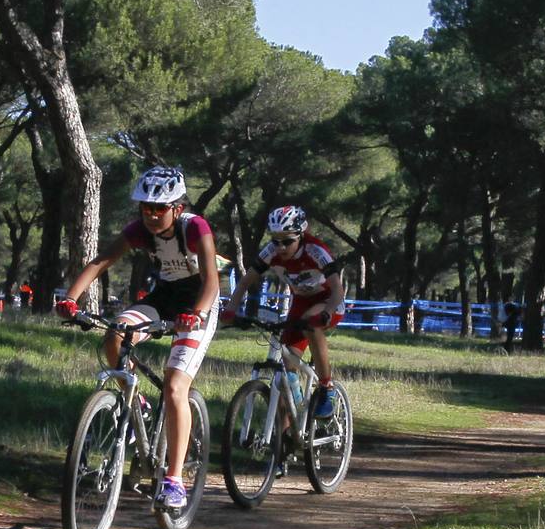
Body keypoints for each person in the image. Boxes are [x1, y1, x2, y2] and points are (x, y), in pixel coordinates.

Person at [55, 167, 220, 511]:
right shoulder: (139, 231)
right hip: (164, 297)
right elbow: (101, 261)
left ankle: (174, 481)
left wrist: (199, 314)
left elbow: (212, 281)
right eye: (145, 208)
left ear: (177, 207)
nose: (151, 215)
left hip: (199, 302)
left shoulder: (195, 227)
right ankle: (137, 406)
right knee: (116, 333)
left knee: (176, 387)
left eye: (159, 208)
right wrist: (70, 299)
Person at [220, 205, 347, 418]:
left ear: (301, 235)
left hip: (328, 301)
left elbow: (337, 290)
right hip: (300, 303)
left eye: (287, 241)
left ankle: (327, 388)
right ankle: (287, 440)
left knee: (311, 323)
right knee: (285, 376)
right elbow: (244, 283)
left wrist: (326, 312)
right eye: (275, 240)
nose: (280, 247)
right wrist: (231, 310)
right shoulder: (270, 252)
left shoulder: (316, 250)